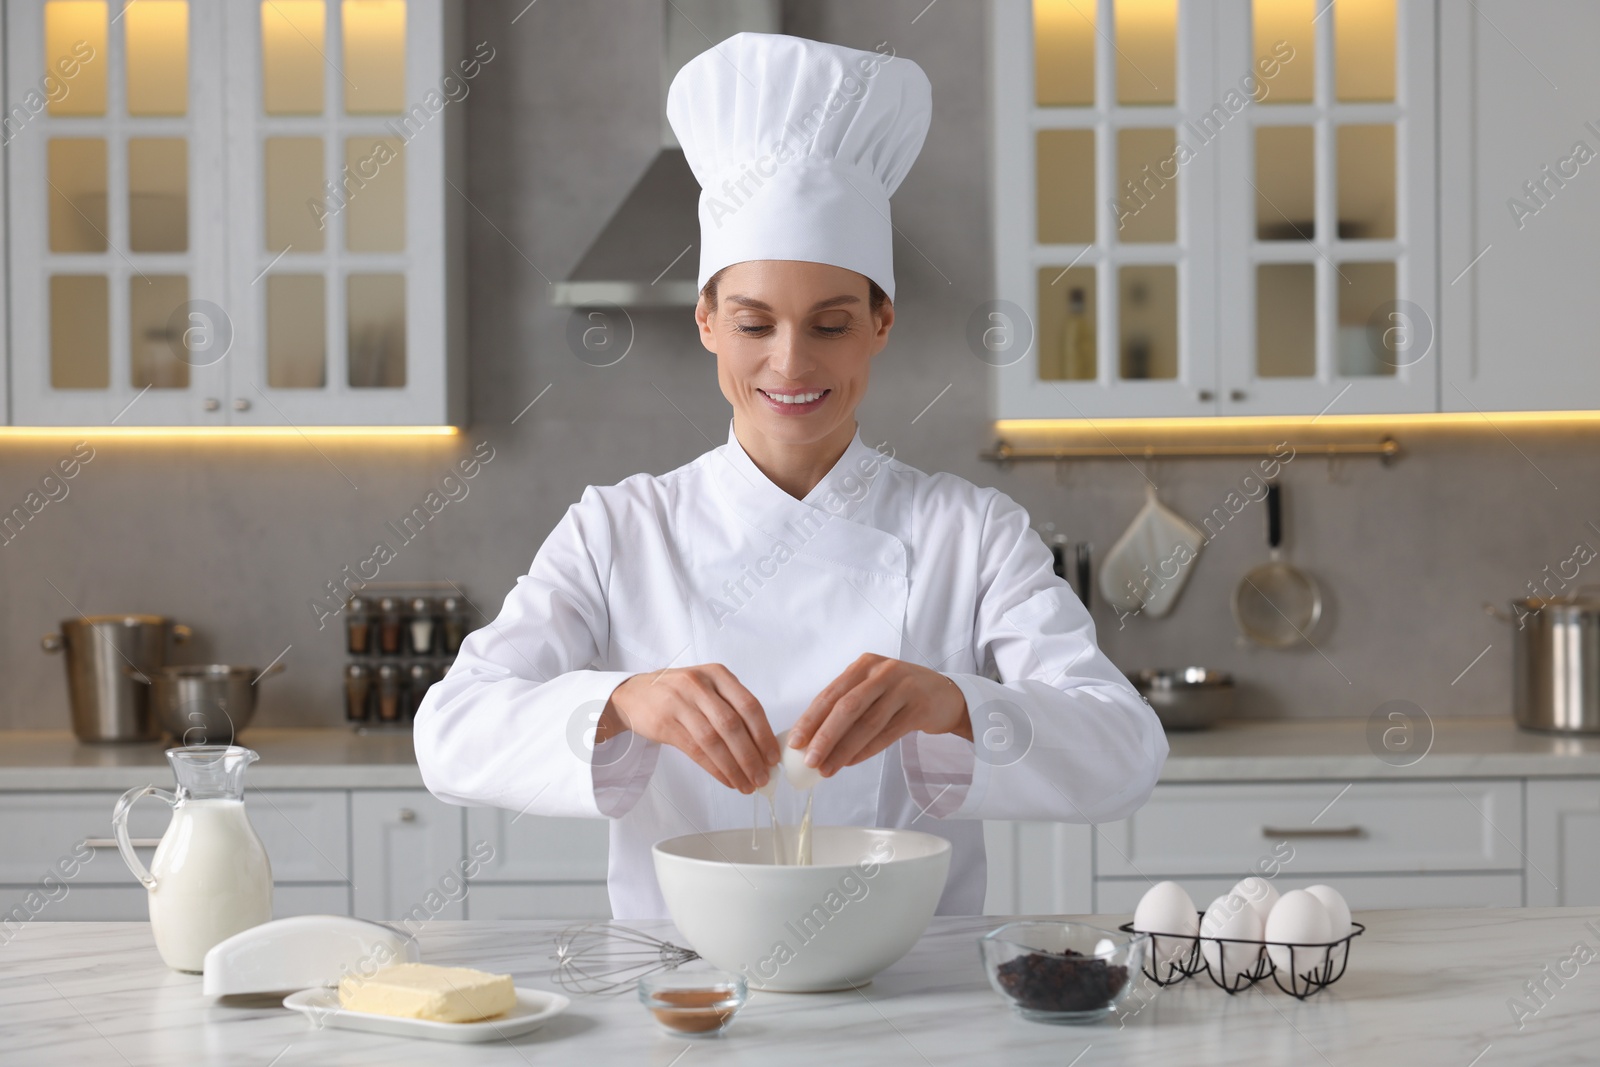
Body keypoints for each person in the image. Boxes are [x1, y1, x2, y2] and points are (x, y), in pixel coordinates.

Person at [414, 32, 1168, 920]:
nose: (790, 362)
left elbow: (1125, 752)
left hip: (915, 991)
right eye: (753, 322)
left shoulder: (970, 532)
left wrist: (954, 702)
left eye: (832, 323)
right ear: (706, 321)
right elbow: (449, 735)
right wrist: (623, 699)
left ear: (883, 322)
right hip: (684, 990)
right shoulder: (619, 529)